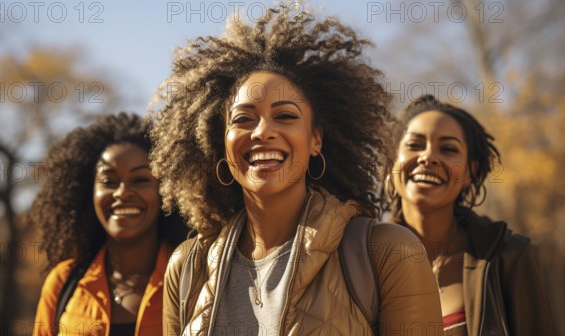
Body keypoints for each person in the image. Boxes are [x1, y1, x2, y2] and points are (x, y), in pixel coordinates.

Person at [148, 5, 442, 335]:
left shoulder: (388, 252)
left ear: (315, 139)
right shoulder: (187, 267)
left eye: (285, 116)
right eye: (243, 119)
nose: (261, 132)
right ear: (220, 143)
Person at [386, 94, 555, 335]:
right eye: (414, 145)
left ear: (469, 172)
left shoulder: (508, 258)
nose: (428, 157)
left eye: (448, 149)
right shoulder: (361, 260)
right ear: (392, 160)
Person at [30, 113, 188, 335]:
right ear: (88, 191)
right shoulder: (63, 282)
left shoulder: (193, 281)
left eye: (141, 179)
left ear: (166, 190)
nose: (122, 193)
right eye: (108, 181)